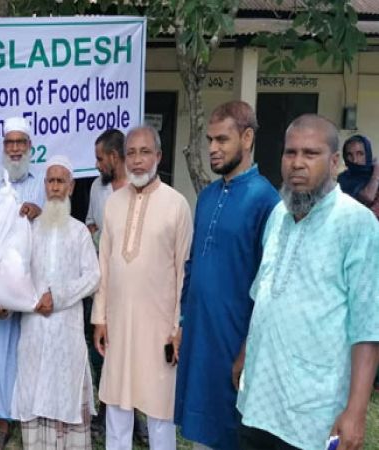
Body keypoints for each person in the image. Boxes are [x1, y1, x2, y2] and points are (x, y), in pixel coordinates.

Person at [236, 114, 379, 450]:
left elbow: (368, 326)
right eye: (290, 152)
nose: (297, 163)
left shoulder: (357, 223)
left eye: (310, 154)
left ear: (334, 162)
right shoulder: (278, 215)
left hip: (313, 411)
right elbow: (264, 293)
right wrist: (245, 353)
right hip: (258, 397)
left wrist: (356, 410)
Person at [174, 101, 280, 450]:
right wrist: (183, 321)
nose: (213, 148)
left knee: (231, 430)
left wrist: (249, 348)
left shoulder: (266, 200)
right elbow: (193, 265)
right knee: (201, 427)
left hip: (235, 341)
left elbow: (269, 284)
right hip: (201, 335)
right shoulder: (207, 196)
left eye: (222, 139)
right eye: (210, 140)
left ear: (247, 138)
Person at [92, 124, 193, 450]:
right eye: (131, 153)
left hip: (159, 329)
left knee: (159, 411)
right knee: (117, 406)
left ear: (158, 156)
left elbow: (184, 273)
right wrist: (100, 318)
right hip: (119, 324)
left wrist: (178, 327)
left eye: (145, 152)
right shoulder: (113, 204)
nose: (137, 160)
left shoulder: (176, 205)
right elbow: (105, 264)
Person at [12, 155, 101, 449]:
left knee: (65, 396)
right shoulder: (29, 229)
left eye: (60, 181)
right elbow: (17, 273)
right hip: (34, 332)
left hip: (66, 333)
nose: (55, 187)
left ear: (71, 187)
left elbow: (93, 277)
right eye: (50, 181)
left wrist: (58, 296)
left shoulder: (79, 232)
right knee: (34, 394)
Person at [0, 116, 45, 449]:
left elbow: (57, 228)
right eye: (10, 142)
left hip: (34, 284)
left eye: (21, 142)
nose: (15, 149)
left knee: (33, 350)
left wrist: (41, 213)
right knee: (3, 351)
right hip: (2, 285)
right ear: (4, 147)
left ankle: (32, 418)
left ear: (30, 146)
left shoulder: (44, 182)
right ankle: (4, 422)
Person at [84, 129, 137, 439]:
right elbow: (91, 222)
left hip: (132, 287)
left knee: (132, 350)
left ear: (115, 158)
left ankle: (135, 414)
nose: (97, 164)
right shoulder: (97, 187)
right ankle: (105, 411)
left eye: (100, 158)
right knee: (101, 350)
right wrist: (99, 238)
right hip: (102, 284)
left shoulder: (138, 187)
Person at [338, 135, 379, 219]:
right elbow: (368, 196)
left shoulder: (373, 171)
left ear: (368, 154)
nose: (355, 160)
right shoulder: (344, 178)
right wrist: (376, 172)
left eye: (360, 154)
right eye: (349, 155)